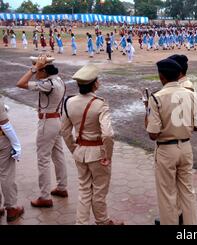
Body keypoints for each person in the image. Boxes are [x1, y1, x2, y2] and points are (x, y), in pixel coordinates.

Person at [145, 58, 197, 225]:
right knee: (188, 191)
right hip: (185, 147)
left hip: (166, 150)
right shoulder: (191, 94)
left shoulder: (156, 97)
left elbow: (153, 134)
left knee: (167, 194)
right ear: (179, 75)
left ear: (161, 77)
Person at [61, 64, 123, 225]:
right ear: (94, 83)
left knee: (84, 190)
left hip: (80, 152)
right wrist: (107, 155)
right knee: (99, 191)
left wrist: (75, 149)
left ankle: (81, 223)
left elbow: (65, 131)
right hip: (98, 153)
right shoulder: (100, 104)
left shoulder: (69, 102)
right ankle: (102, 222)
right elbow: (108, 134)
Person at [16, 56, 68, 208]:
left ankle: (45, 197)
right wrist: (37, 66)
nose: (36, 73)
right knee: (58, 156)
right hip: (57, 121)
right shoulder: (58, 80)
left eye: (38, 70)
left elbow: (21, 83)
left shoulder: (48, 84)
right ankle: (62, 187)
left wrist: (33, 69)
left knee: (43, 159)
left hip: (47, 122)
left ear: (44, 71)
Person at [0, 96, 24, 222]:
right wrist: (16, 144)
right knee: (6, 174)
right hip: (1, 140)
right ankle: (11, 208)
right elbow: (5, 124)